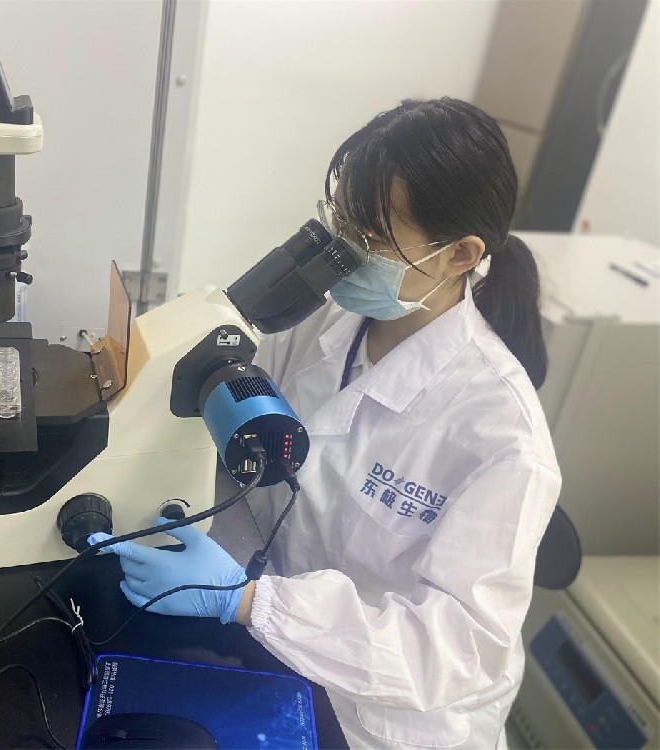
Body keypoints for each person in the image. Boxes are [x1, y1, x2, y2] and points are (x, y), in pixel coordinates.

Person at [89, 98, 561, 749]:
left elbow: (454, 650)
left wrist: (245, 601)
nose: (344, 251)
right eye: (340, 220)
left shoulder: (504, 438)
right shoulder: (325, 325)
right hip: (272, 650)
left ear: (459, 255)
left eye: (371, 237)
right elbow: (243, 448)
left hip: (383, 718)